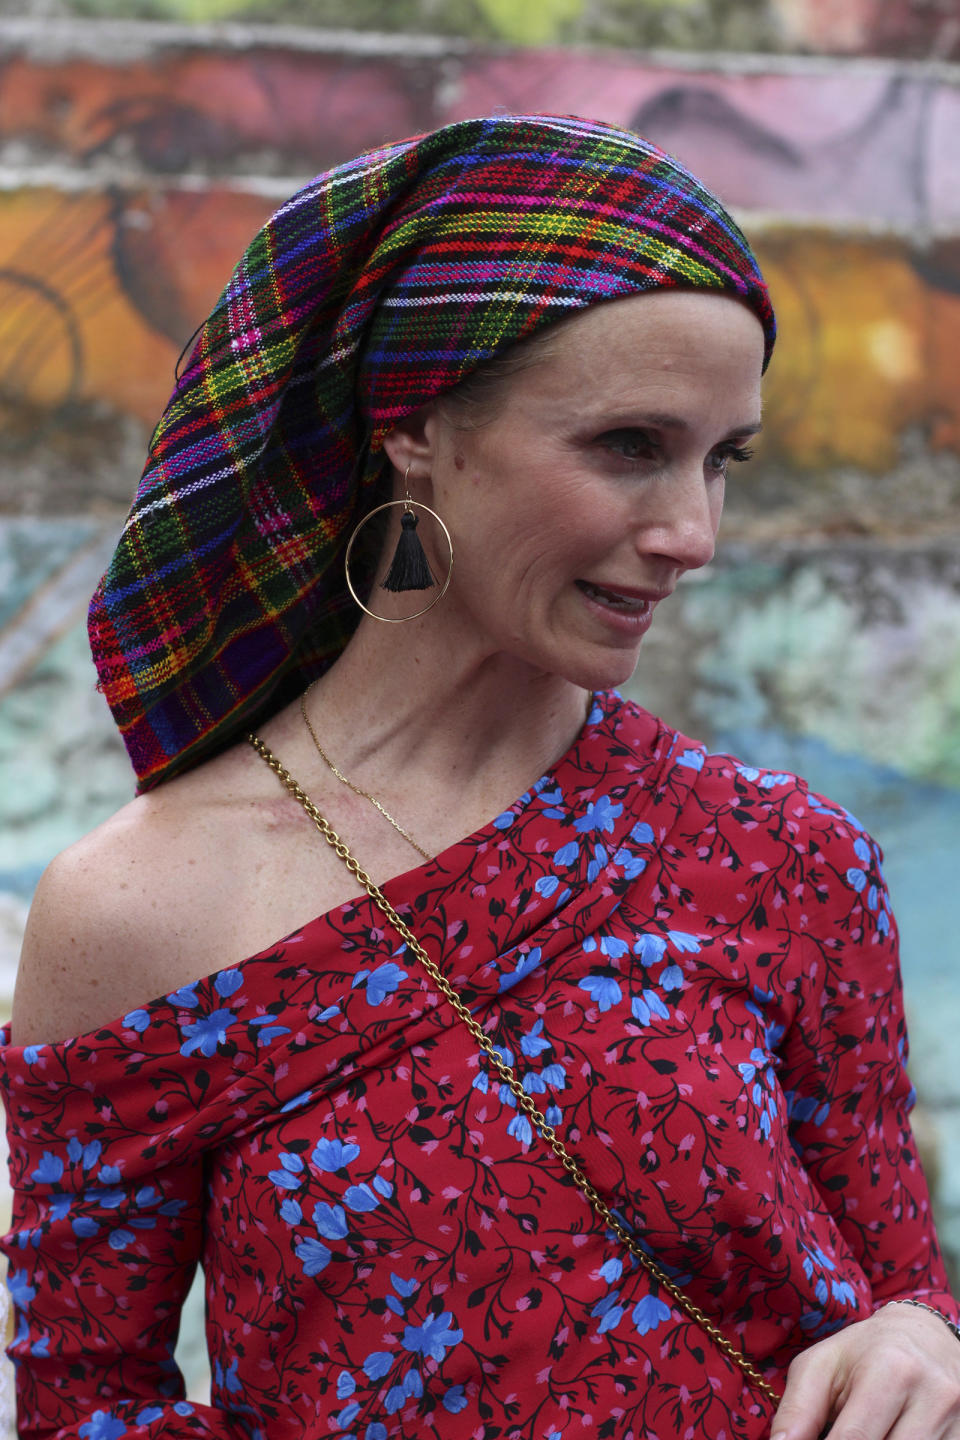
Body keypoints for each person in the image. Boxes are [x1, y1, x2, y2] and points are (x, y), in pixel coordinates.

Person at [1, 113, 958, 1440]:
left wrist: (918, 1337)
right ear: (416, 428)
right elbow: (82, 1407)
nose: (693, 533)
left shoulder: (783, 857)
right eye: (630, 445)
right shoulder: (138, 912)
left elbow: (905, 1295)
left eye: (722, 459)